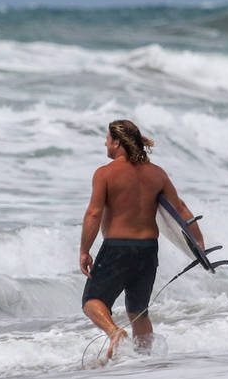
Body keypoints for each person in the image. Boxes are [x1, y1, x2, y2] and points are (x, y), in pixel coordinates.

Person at [80, 119, 203, 358]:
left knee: (92, 301)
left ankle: (115, 334)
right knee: (138, 311)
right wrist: (198, 242)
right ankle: (144, 363)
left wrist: (85, 250)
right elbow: (180, 208)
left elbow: (93, 213)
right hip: (148, 249)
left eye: (107, 139)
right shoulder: (157, 173)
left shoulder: (105, 174)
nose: (105, 143)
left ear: (117, 142)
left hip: (117, 248)